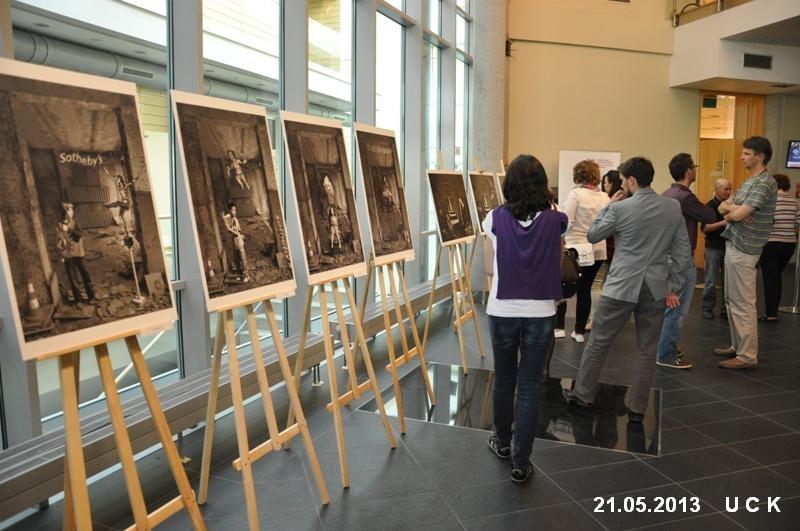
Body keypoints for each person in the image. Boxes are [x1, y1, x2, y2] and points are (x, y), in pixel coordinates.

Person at [564, 157, 690, 422]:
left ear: (632, 180)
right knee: (647, 350)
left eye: (623, 181)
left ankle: (583, 395)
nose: (622, 185)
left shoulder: (620, 208)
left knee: (599, 342)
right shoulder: (672, 207)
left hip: (621, 285)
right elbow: (682, 254)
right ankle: (637, 409)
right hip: (655, 287)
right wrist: (672, 286)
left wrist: (609, 206)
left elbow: (593, 234)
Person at [482, 154, 566, 484]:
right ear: (542, 183)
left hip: (502, 310)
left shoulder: (494, 218)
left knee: (504, 380)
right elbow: (557, 261)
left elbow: (488, 268)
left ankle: (502, 442)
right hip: (541, 312)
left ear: (509, 184)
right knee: (529, 386)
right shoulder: (557, 218)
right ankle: (521, 462)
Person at [715, 136, 778, 370]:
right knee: (731, 300)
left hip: (745, 248)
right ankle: (737, 346)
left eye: (746, 154)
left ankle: (747, 355)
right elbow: (723, 207)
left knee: (743, 302)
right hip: (734, 244)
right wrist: (734, 209)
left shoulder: (764, 183)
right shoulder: (749, 181)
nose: (741, 157)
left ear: (760, 156)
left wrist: (735, 211)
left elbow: (736, 215)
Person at [656, 153, 717, 370]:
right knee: (677, 310)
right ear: (689, 172)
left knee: (668, 308)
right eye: (694, 167)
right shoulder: (686, 198)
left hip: (667, 257)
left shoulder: (667, 193)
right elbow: (710, 216)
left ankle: (665, 346)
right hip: (681, 260)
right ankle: (666, 354)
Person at [555, 160, 610, 343]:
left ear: (577, 175)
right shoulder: (605, 197)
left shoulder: (576, 194)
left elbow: (566, 222)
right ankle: (579, 332)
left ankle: (559, 327)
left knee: (563, 284)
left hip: (575, 249)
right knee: (585, 289)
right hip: (597, 250)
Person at [758, 174, 799, 322]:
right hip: (789, 244)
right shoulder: (793, 201)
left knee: (770, 278)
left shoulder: (770, 200)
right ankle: (773, 311)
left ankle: (771, 314)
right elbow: (797, 223)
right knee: (776, 276)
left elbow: (763, 221)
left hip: (771, 243)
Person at [700, 178, 731, 320]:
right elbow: (705, 228)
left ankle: (725, 309)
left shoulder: (731, 205)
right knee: (710, 280)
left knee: (728, 281)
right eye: (726, 189)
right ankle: (707, 308)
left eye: (730, 189)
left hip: (729, 246)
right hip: (714, 247)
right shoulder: (709, 206)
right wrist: (724, 222)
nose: (728, 192)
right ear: (717, 190)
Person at [57, 202, 95, 306]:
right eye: (69, 210)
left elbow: (79, 234)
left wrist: (68, 229)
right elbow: (59, 239)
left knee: (85, 275)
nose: (71, 212)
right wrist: (61, 248)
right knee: (72, 278)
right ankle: (78, 300)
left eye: (72, 210)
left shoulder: (76, 222)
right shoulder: (59, 225)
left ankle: (91, 296)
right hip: (68, 255)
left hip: (79, 253)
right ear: (64, 212)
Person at [223, 203, 250, 282]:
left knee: (243, 258)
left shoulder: (236, 220)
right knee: (236, 258)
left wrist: (240, 235)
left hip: (239, 241)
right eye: (232, 210)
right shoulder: (227, 218)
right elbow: (228, 229)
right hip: (233, 241)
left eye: (235, 210)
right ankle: (239, 274)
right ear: (229, 210)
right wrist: (237, 233)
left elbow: (239, 230)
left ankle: (246, 275)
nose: (234, 211)